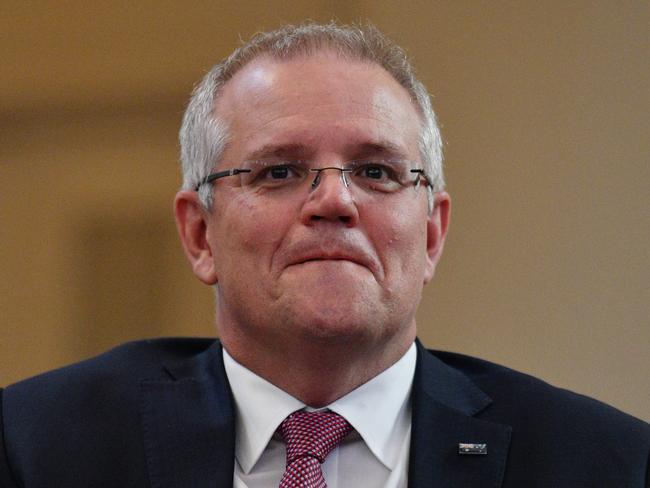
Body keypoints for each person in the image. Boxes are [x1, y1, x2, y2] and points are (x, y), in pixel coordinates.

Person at [1, 22, 648, 488]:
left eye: (376, 172)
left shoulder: (605, 463)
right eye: (280, 171)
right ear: (200, 236)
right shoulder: (35, 448)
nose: (335, 201)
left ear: (431, 233)